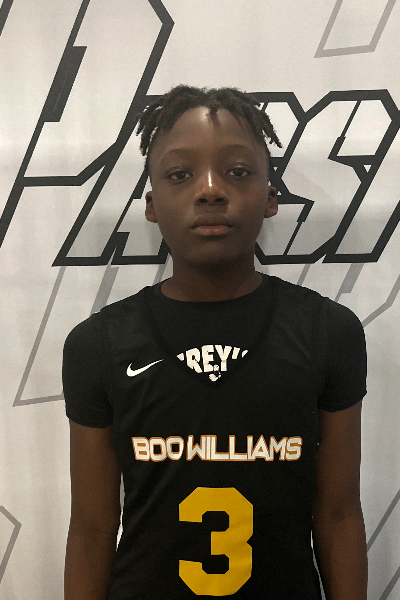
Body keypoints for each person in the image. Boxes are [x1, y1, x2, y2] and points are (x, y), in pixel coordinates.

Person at [63, 84, 368, 599]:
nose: (209, 190)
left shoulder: (328, 332)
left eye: (238, 171)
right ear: (151, 205)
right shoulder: (99, 344)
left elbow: (338, 515)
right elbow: (92, 531)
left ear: (270, 198)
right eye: (180, 175)